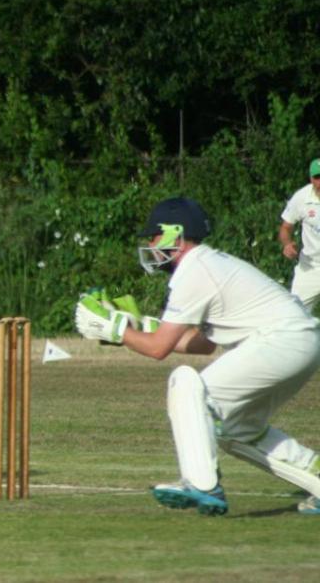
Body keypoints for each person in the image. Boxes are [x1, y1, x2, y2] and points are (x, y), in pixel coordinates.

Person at [74, 197, 320, 516]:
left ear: (173, 235)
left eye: (153, 237)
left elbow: (158, 349)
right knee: (234, 430)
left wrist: (115, 329)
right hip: (301, 343)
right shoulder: (208, 264)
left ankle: (202, 484)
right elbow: (202, 343)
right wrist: (138, 328)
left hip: (282, 341)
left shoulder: (194, 270)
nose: (150, 245)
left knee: (188, 385)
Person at [279, 157, 320, 312]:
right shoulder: (301, 197)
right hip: (310, 266)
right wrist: (287, 244)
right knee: (295, 314)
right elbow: (286, 227)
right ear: (311, 178)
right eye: (317, 178)